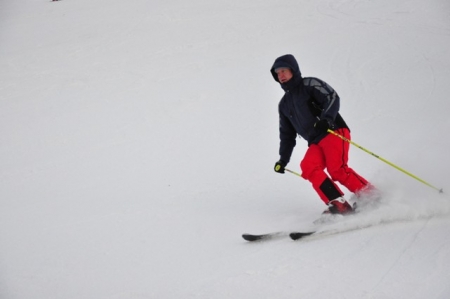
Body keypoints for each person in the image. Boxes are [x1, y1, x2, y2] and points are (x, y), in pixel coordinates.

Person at [270, 54, 373, 214]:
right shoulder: (284, 104)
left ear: (293, 70)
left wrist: (327, 119)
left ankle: (372, 196)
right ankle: (339, 204)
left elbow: (331, 96)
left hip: (333, 131)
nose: (280, 75)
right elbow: (286, 134)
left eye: (283, 70)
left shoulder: (309, 84)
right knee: (308, 167)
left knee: (337, 170)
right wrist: (283, 159)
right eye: (277, 73)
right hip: (315, 141)